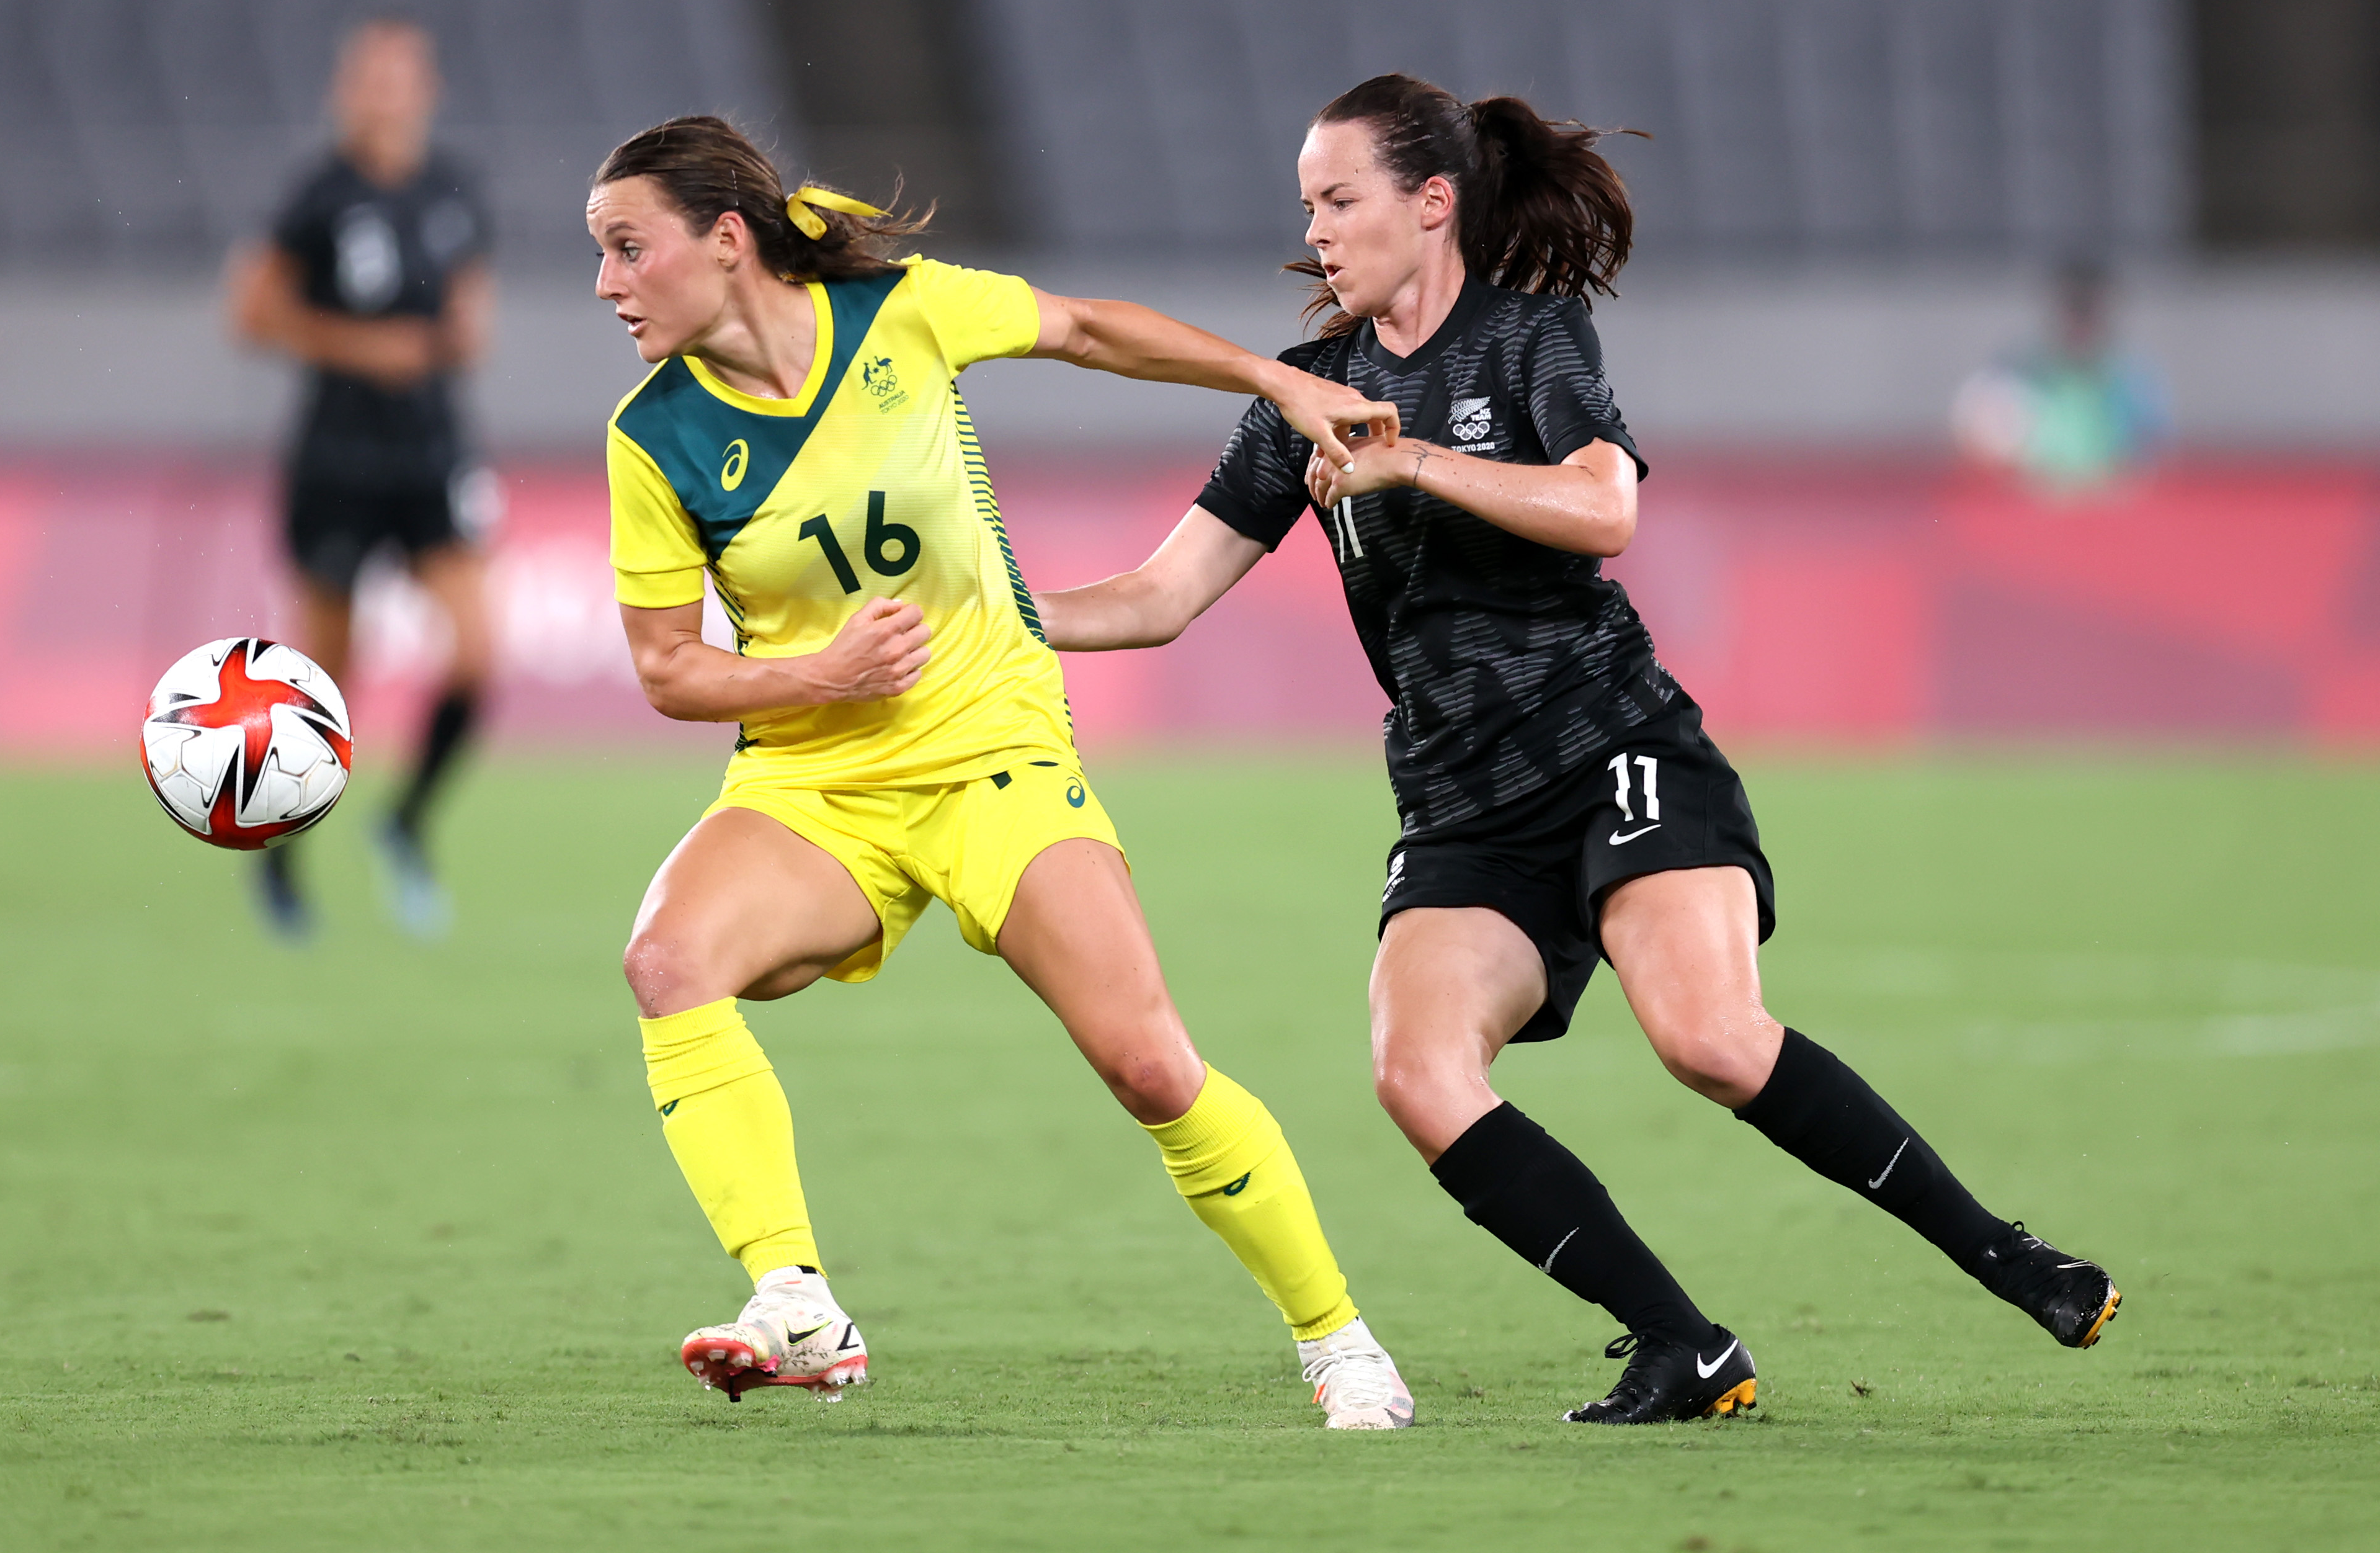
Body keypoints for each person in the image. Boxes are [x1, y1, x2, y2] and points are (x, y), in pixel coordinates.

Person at [1035, 74, 2122, 1425]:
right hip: (1459, 804)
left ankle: (2006, 1254)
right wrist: (999, 616)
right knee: (1415, 1071)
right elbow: (1156, 597)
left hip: (1611, 746)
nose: (1313, 230)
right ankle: (1682, 1342)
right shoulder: (1300, 394)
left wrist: (1412, 463)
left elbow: (1604, 506)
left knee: (1710, 1038)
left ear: (1430, 202)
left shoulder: (1528, 339)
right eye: (1305, 206)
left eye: (1338, 199)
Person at [589, 115, 1415, 1428]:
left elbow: (1086, 329)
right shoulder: (655, 436)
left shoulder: (898, 313)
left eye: (629, 248)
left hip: (993, 756)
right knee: (666, 961)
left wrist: (1279, 382)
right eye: (602, 257)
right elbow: (666, 668)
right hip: (815, 789)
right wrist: (816, 677)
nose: (607, 283)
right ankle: (795, 1304)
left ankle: (1339, 1341)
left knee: (1148, 1067)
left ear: (725, 241)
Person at [227, 14, 496, 941]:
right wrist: (359, 347)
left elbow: (470, 312)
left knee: (476, 654)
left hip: (430, 455)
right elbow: (253, 311)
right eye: (372, 76)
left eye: (403, 74)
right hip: (338, 460)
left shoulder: (453, 191)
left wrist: (459, 335)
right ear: (349, 90)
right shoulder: (319, 195)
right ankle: (284, 862)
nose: (388, 91)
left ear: (427, 87)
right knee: (327, 680)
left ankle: (406, 822)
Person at [1951, 258, 2168, 495]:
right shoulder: (2016, 374)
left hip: (2112, 504)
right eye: (2074, 308)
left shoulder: (2134, 375)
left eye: (2088, 308)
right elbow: (1982, 441)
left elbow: (2152, 447)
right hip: (2036, 504)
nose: (2081, 319)